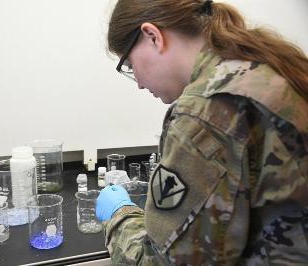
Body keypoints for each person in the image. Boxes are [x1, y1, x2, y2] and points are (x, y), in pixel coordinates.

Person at [96, 0, 308, 265]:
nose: (138, 82)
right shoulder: (270, 66)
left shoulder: (206, 110)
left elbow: (166, 261)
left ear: (152, 36)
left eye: (129, 65)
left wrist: (119, 215)